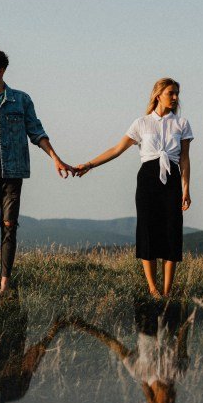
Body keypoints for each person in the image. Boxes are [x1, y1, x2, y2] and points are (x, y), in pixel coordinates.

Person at [0, 48, 76, 294]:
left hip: (13, 172)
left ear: (0, 71)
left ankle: (5, 282)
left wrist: (55, 158)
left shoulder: (21, 100)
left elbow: (37, 132)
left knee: (9, 224)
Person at [76, 78, 193, 297]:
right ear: (158, 95)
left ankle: (167, 292)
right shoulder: (141, 123)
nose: (176, 97)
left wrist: (186, 189)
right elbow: (116, 149)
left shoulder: (182, 123)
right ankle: (153, 289)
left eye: (177, 93)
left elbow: (185, 159)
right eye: (171, 93)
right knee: (148, 230)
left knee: (172, 232)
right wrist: (90, 164)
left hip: (172, 178)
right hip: (148, 178)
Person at [67, 297, 193, 403]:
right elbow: (183, 336)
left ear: (155, 400)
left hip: (146, 323)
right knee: (171, 288)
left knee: (143, 288)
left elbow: (114, 344)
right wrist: (185, 304)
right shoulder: (179, 373)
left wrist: (84, 326)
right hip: (170, 322)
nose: (172, 399)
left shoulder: (139, 373)